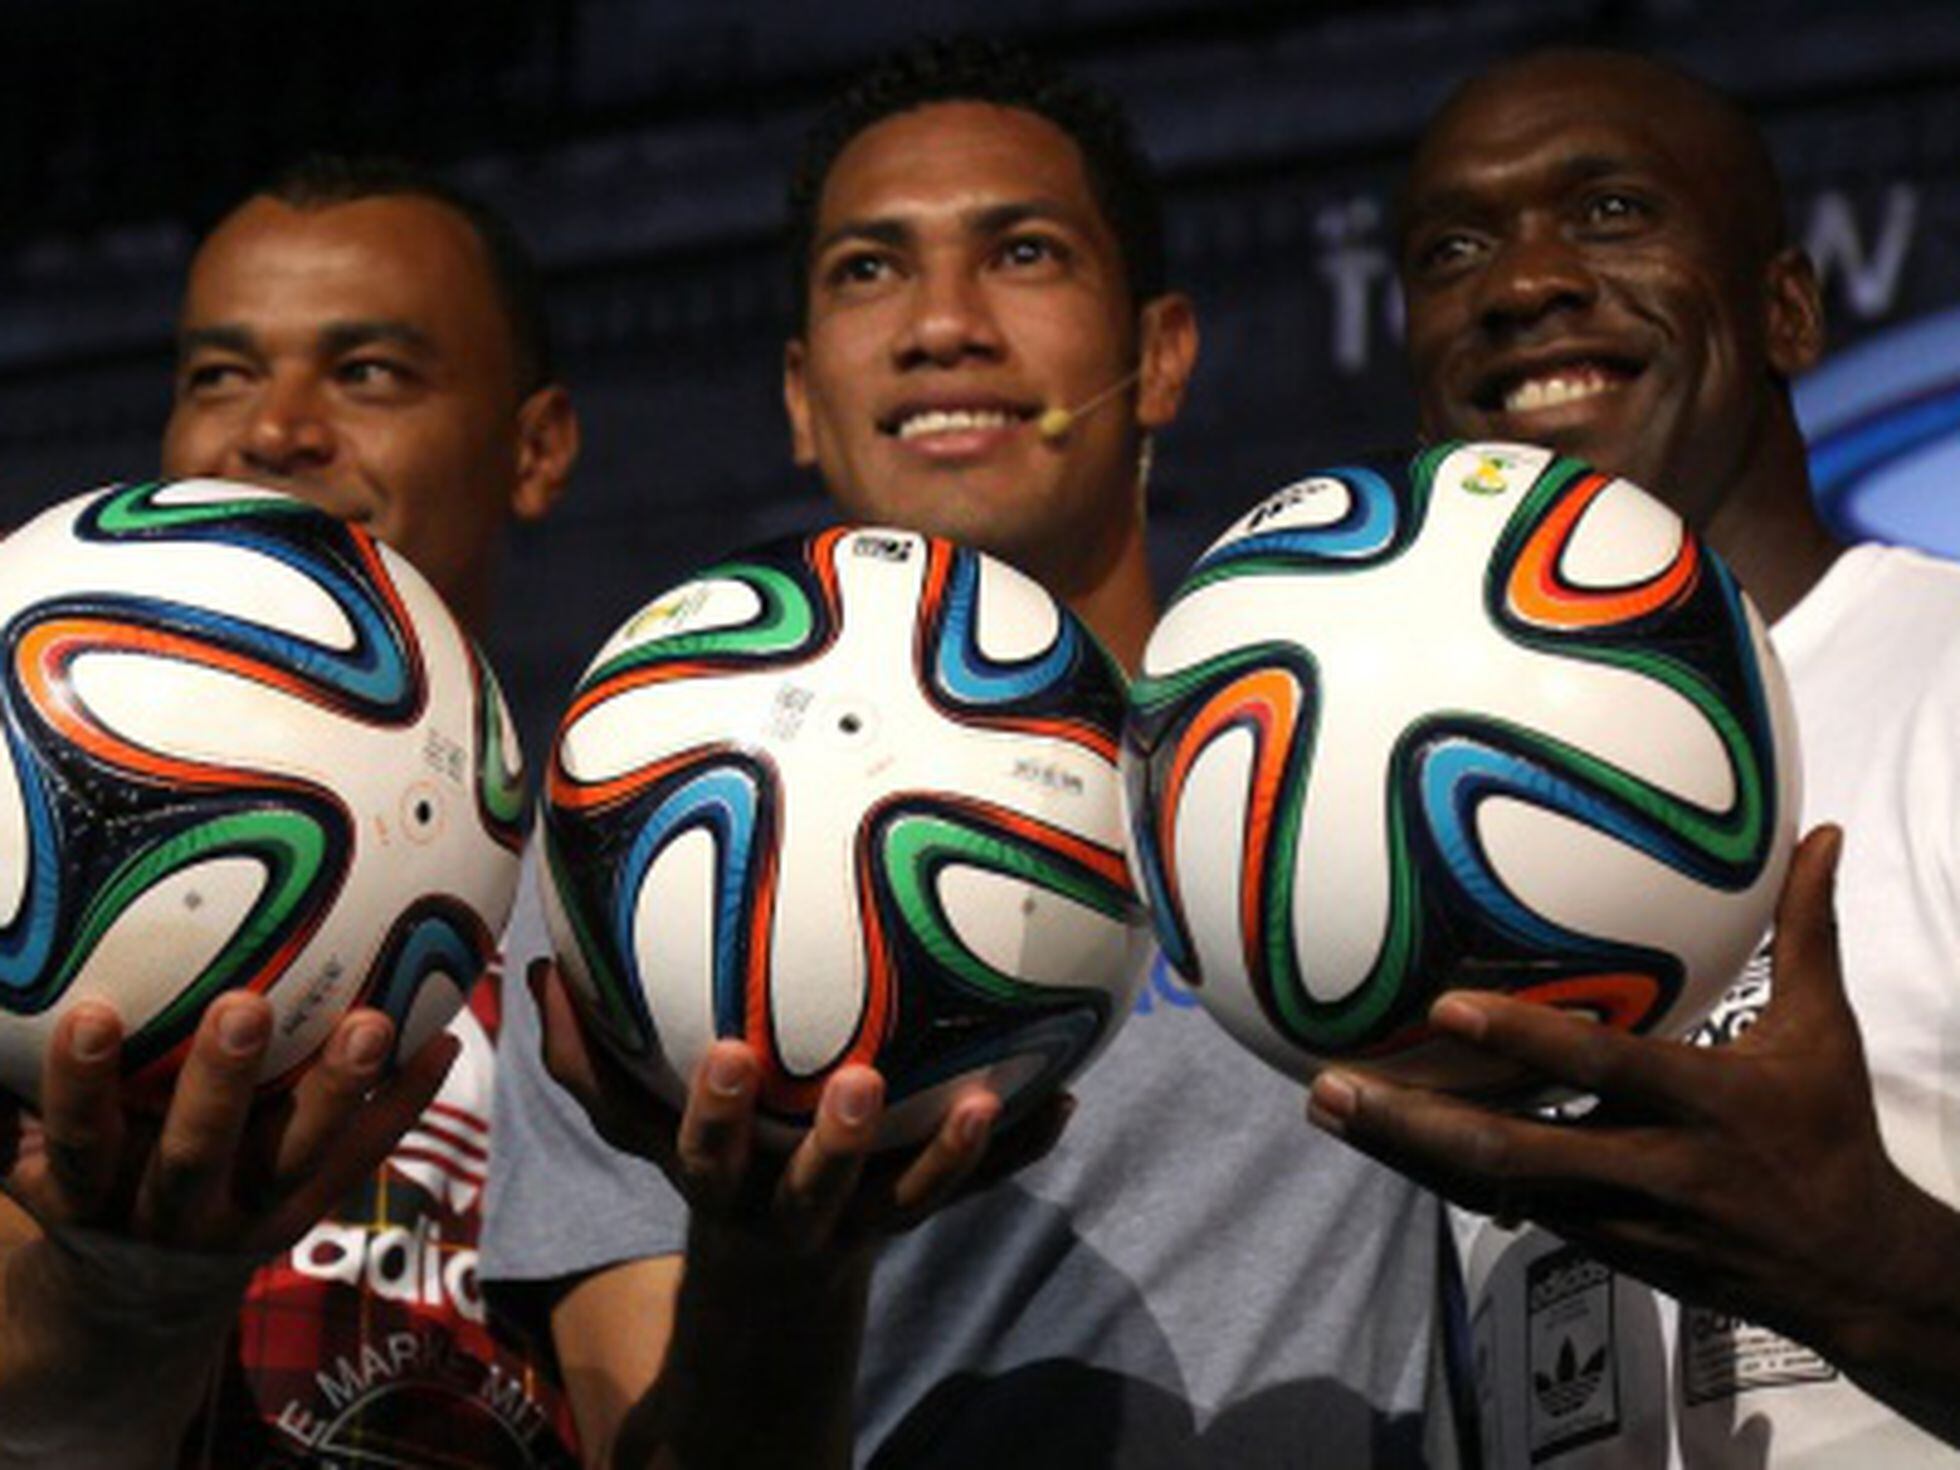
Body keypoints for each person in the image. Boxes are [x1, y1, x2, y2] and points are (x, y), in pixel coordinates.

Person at [483, 36, 1463, 1470]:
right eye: (870, 269)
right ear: (805, 394)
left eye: (1022, 252)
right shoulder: (627, 854)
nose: (942, 324)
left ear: (1162, 356)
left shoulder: (1343, 771)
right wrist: (783, 1267)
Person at [1305, 47, 1960, 1464]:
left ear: (1786, 309)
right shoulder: (1389, 831)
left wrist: (1869, 1266)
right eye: (1454, 248)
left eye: (1608, 212)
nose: (1520, 281)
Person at [0, 157, 585, 1467]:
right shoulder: (24, 875)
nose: (274, 431)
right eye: (219, 374)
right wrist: (123, 1287)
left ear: (534, 446)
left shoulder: (648, 936)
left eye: (368, 371)